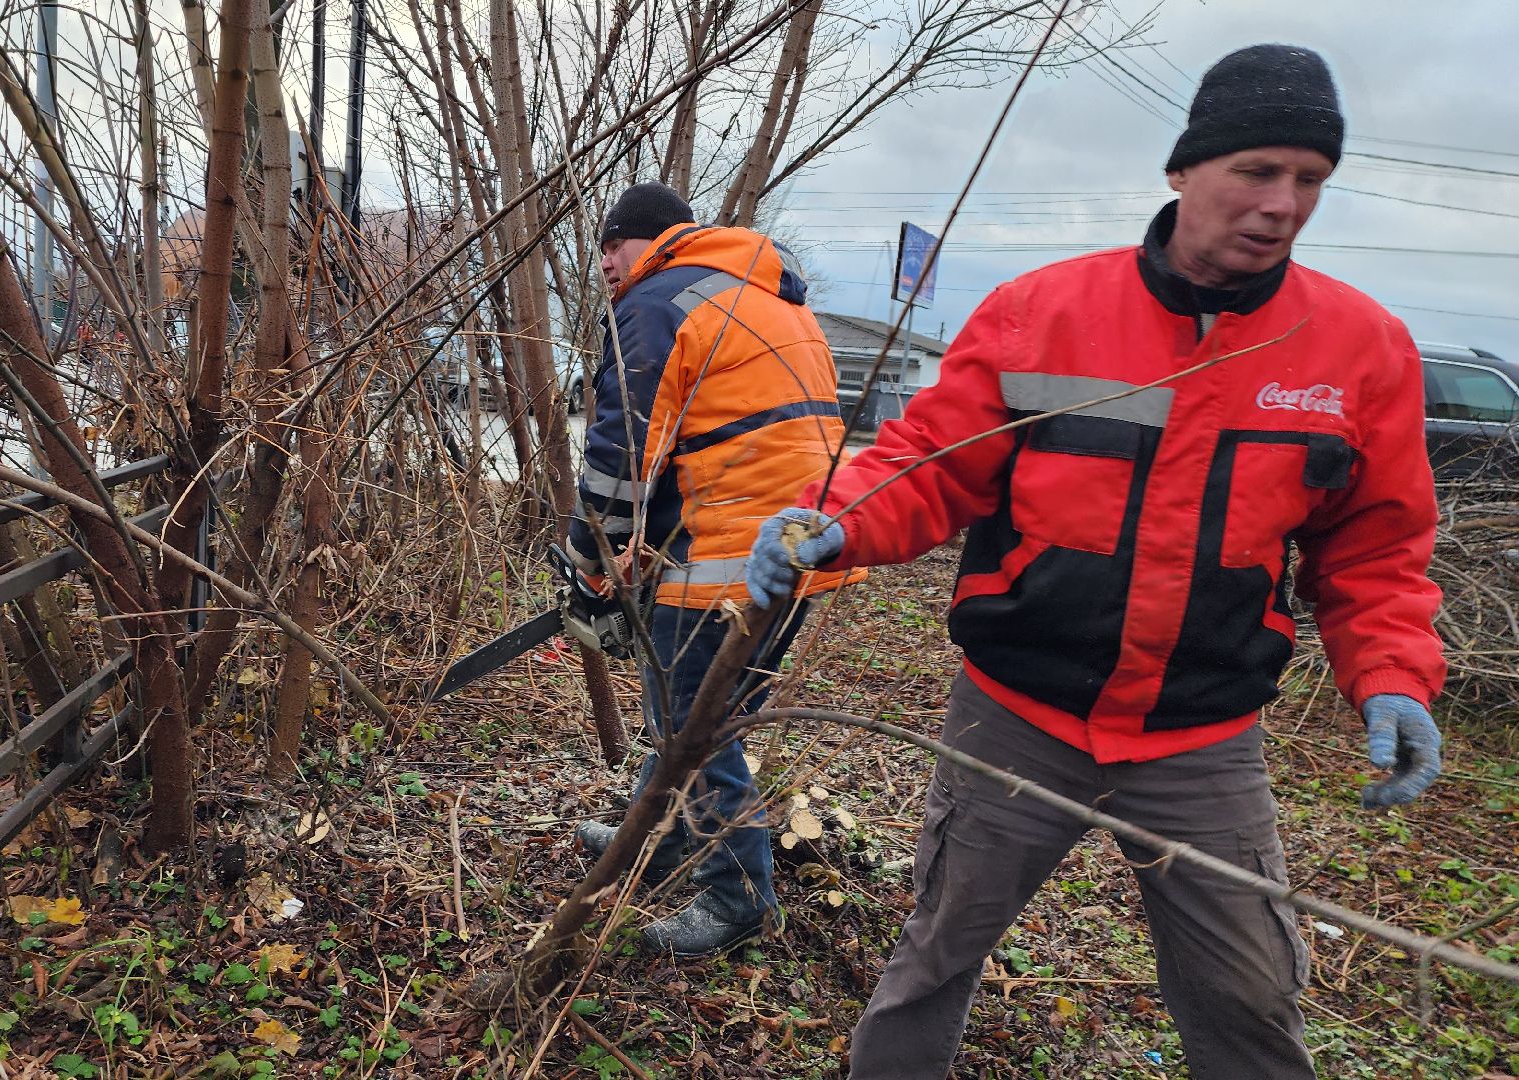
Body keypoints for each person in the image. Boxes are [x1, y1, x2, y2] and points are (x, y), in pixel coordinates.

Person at [745, 44, 1446, 1078]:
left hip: (1202, 738)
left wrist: (1391, 677)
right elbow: (930, 465)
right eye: (1257, 170)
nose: (1282, 204)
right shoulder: (1043, 313)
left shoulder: (1359, 349)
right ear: (1183, 168)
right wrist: (834, 517)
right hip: (1016, 715)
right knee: (935, 956)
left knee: (1250, 998)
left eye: (1310, 179)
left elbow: (1375, 549)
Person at [567, 181, 863, 956]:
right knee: (700, 714)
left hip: (725, 550)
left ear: (657, 239)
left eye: (614, 244)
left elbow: (621, 451)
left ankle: (738, 894)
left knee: (693, 726)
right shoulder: (768, 296)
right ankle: (656, 838)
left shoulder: (659, 300)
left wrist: (590, 565)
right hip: (799, 543)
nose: (606, 261)